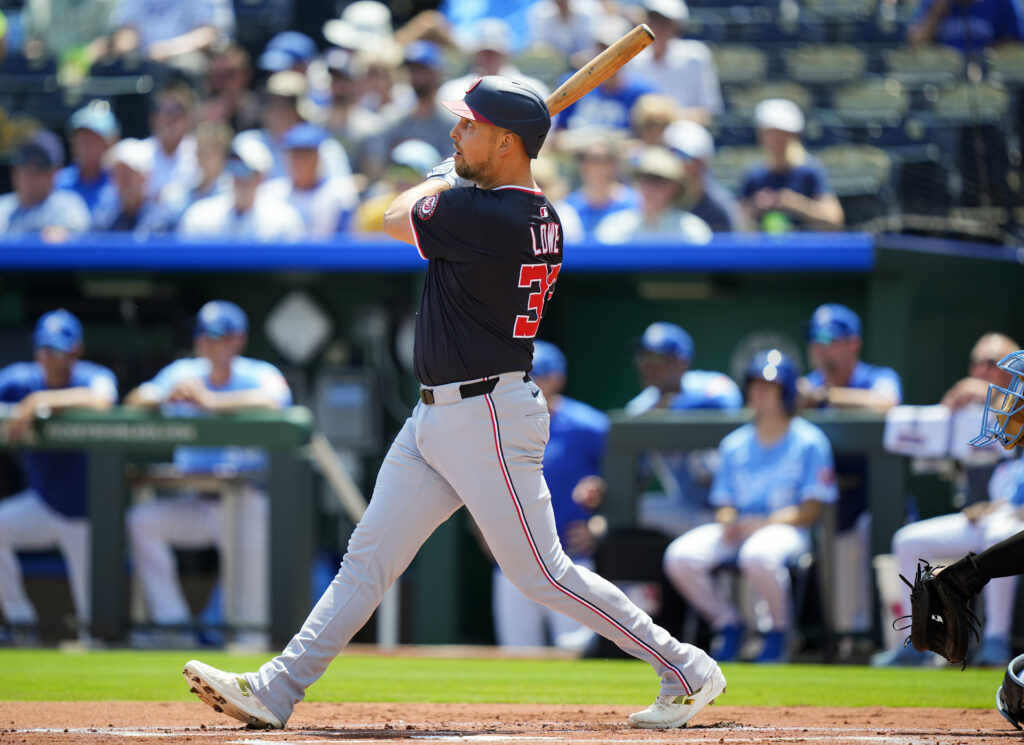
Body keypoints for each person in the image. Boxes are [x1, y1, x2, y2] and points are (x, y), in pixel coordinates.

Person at [183, 74, 725, 732]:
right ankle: (277, 687)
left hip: (485, 414)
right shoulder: (539, 214)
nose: (455, 133)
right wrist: (461, 173)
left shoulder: (482, 213)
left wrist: (444, 177)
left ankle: (684, 666)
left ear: (506, 142)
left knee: (542, 574)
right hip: (443, 413)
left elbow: (384, 217)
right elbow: (462, 203)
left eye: (470, 126)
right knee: (369, 555)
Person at [125, 301, 291, 648]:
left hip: (245, 502)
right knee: (142, 521)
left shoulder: (256, 372)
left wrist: (211, 402)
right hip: (197, 501)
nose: (207, 343)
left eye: (216, 336)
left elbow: (278, 399)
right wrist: (163, 396)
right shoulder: (183, 372)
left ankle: (249, 671)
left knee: (249, 624)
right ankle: (173, 627)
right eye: (202, 335)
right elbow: (135, 399)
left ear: (238, 340)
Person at [663, 349, 838, 663]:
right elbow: (724, 504)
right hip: (744, 529)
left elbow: (812, 509)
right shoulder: (735, 444)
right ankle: (728, 624)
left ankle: (780, 632)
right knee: (681, 556)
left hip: (788, 531)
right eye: (755, 385)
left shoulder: (810, 441)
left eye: (768, 387)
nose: (759, 393)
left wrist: (765, 523)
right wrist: (728, 520)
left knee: (758, 553)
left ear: (785, 392)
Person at [0, 310, 118, 640]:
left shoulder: (92, 376)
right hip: (42, 504)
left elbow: (103, 401)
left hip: (86, 517)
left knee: (94, 630)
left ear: (75, 350)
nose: (49, 358)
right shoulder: (19, 379)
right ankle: (22, 624)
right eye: (43, 349)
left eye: (57, 349)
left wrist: (39, 402)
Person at [491, 341, 608, 652]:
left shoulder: (590, 426)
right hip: (514, 560)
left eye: (537, 375)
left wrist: (600, 525)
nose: (531, 384)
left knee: (573, 652)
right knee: (518, 654)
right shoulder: (499, 424)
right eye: (523, 377)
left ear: (557, 378)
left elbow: (626, 480)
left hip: (570, 556)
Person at [797, 303, 902, 643]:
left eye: (828, 337)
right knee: (843, 613)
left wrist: (827, 396)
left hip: (878, 501)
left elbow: (888, 403)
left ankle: (899, 647)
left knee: (889, 591)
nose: (819, 345)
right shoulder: (807, 386)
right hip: (831, 505)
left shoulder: (876, 376)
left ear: (853, 342)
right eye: (814, 338)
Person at [739, 99, 844, 233]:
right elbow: (735, 220)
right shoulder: (754, 175)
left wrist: (797, 204)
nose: (776, 139)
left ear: (794, 135)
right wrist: (755, 205)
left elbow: (834, 219)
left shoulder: (810, 171)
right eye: (770, 133)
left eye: (782, 133)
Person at [178, 137, 305, 241]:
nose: (241, 178)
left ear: (262, 176)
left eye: (248, 170)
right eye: (234, 167)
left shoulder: (284, 220)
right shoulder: (200, 216)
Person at [364, 41, 457, 181]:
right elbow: (375, 163)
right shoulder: (394, 118)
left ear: (436, 72)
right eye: (412, 70)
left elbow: (453, 171)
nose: (416, 76)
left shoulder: (452, 123)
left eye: (421, 70)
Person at [625, 0, 722, 125]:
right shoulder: (635, 58)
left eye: (664, 22)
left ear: (677, 26)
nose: (657, 27)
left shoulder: (695, 55)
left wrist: (665, 117)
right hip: (642, 131)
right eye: (653, 20)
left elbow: (708, 111)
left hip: (684, 128)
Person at [594, 146, 712, 245]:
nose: (649, 188)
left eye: (657, 180)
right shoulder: (614, 228)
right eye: (645, 179)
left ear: (674, 188)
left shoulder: (692, 231)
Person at [259, 123, 359, 237]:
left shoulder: (338, 195)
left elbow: (344, 240)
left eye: (306, 155)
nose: (300, 162)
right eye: (295, 154)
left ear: (318, 158)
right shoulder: (270, 192)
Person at [0, 130, 91, 240]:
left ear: (55, 172)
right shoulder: (3, 207)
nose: (30, 172)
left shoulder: (68, 208)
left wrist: (66, 237)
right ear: (14, 169)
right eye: (23, 162)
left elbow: (79, 247)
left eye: (40, 166)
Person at [663, 119, 740, 233]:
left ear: (703, 162)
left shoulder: (720, 209)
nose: (677, 162)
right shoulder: (656, 199)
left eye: (683, 156)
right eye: (672, 154)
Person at [353, 139, 441, 233]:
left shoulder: (444, 214)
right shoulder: (372, 211)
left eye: (411, 172)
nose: (402, 178)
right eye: (397, 170)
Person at [55, 101, 120, 224]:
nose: (86, 147)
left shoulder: (121, 182)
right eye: (81, 140)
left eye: (93, 140)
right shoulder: (58, 182)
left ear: (111, 143)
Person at [563, 138, 639, 240]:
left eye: (602, 161)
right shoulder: (569, 207)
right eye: (590, 161)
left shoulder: (635, 202)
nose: (597, 167)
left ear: (614, 164)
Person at [907, 0, 1024, 52]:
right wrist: (936, 13)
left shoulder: (1002, 2)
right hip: (943, 84)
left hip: (989, 84)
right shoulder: (932, 3)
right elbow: (916, 44)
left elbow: (1014, 47)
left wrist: (983, 57)